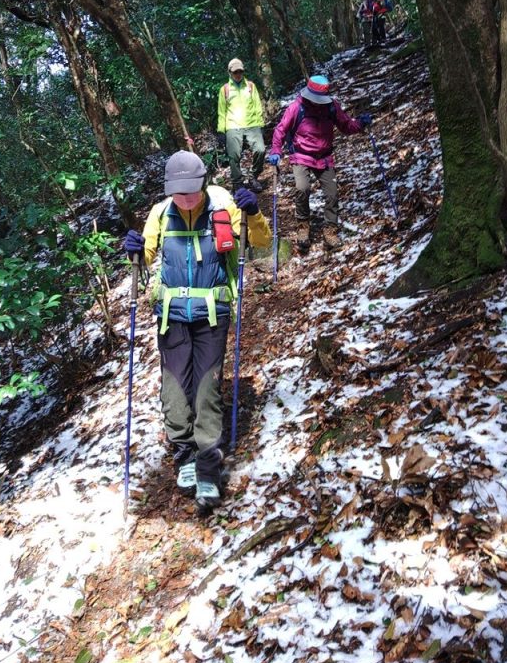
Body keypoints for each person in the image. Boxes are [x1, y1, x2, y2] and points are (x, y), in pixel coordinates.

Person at [123, 151, 271, 510]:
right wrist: (134, 251)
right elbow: (144, 256)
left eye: (191, 191)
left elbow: (261, 243)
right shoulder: (161, 213)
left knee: (206, 389)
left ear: (203, 184)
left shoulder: (222, 207)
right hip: (171, 315)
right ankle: (184, 453)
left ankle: (207, 467)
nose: (186, 198)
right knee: (175, 391)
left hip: (212, 314)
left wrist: (253, 213)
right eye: (179, 192)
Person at [266, 75, 372, 252]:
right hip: (301, 155)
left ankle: (330, 231)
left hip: (324, 157)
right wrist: (276, 150)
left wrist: (360, 123)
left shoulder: (332, 107)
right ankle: (303, 227)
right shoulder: (296, 107)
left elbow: (346, 126)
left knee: (332, 193)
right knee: (302, 188)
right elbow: (280, 130)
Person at [217, 58, 266, 193]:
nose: (238, 74)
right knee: (233, 155)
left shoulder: (250, 86)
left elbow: (257, 106)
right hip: (232, 125)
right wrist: (221, 130)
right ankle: (237, 183)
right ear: (230, 73)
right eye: (235, 72)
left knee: (260, 150)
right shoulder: (225, 89)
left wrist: (261, 124)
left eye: (240, 71)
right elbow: (221, 111)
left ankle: (253, 177)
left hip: (252, 123)